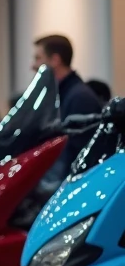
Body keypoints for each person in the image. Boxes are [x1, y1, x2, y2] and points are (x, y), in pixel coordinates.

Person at [32, 35, 102, 169]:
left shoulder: (80, 98)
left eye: (38, 58)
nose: (33, 65)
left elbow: (77, 158)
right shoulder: (61, 95)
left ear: (55, 60)